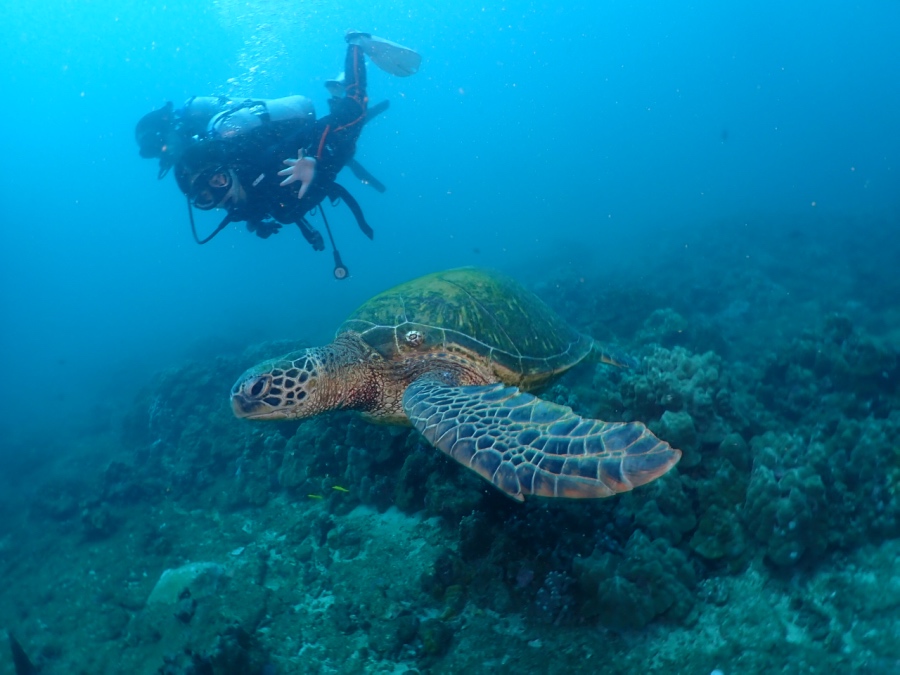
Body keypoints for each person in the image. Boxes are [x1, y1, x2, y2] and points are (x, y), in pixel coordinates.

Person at [135, 31, 420, 278]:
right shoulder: (239, 199)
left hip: (317, 149)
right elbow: (256, 200)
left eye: (219, 181)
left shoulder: (263, 161)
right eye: (207, 199)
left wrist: (312, 161)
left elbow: (314, 134)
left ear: (226, 171)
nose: (220, 197)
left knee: (353, 111)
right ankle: (337, 94)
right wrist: (256, 222)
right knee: (343, 144)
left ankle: (356, 43)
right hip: (322, 163)